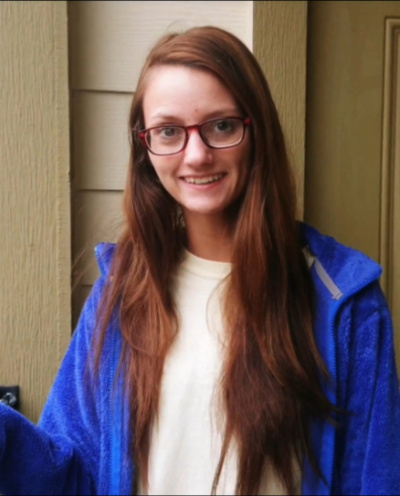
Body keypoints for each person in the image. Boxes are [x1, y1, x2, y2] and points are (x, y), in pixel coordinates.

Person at [0, 25, 399, 496]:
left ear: (257, 130)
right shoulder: (121, 292)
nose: (196, 155)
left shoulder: (344, 300)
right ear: (145, 146)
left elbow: (376, 479)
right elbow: (73, 477)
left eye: (221, 126)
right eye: (169, 131)